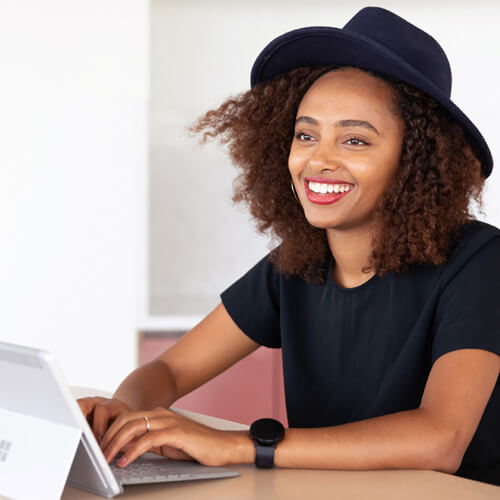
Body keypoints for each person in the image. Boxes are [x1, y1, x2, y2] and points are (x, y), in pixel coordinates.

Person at [78, 6, 500, 486]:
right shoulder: (298, 263)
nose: (318, 160)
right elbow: (171, 370)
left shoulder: (480, 262)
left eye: (355, 141)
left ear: (416, 161)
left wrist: (238, 444)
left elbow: (440, 440)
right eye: (306, 134)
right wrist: (123, 417)